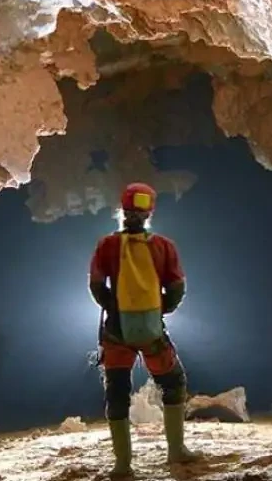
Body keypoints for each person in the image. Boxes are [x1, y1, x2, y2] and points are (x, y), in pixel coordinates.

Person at [89, 181, 199, 477]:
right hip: (151, 331)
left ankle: (123, 465)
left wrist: (114, 308)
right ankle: (176, 450)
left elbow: (96, 285)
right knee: (173, 382)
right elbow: (176, 287)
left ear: (122, 210)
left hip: (115, 332)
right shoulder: (164, 246)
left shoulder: (106, 245)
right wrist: (161, 309)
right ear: (149, 211)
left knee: (117, 391)